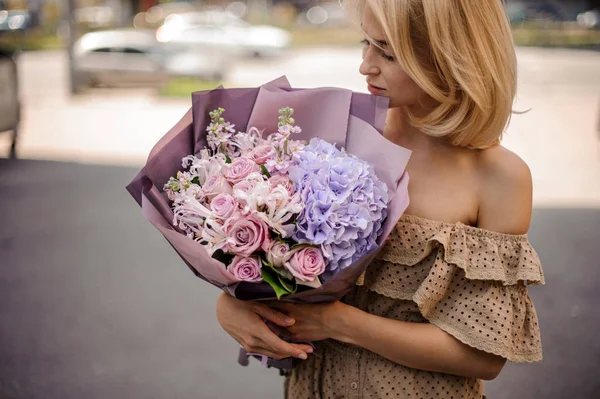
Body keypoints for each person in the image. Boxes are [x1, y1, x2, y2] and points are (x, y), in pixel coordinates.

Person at [216, 0, 544, 397]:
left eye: (388, 52)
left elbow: (483, 356)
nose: (365, 65)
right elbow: (268, 264)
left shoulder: (499, 176)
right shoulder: (337, 136)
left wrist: (340, 323)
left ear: (452, 56)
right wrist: (233, 305)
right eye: (365, 42)